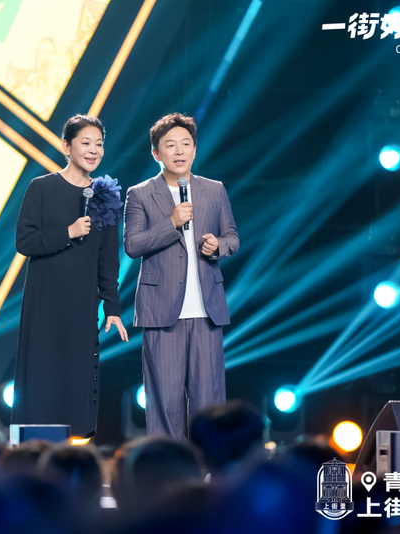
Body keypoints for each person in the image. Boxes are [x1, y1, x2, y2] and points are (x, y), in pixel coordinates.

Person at [12, 114, 128, 439]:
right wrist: (68, 232)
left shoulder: (104, 196)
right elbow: (24, 242)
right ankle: (34, 447)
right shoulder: (41, 187)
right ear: (67, 146)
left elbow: (108, 259)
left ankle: (71, 451)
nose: (93, 151)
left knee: (75, 375)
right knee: (41, 373)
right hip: (44, 298)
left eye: (99, 144)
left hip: (81, 302)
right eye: (85, 143)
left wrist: (112, 307)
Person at [124, 113, 239, 442]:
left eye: (186, 144)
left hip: (207, 311)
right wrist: (171, 223)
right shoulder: (140, 194)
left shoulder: (214, 190)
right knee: (164, 401)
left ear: (195, 149)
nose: (179, 151)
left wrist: (218, 246)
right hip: (161, 311)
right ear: (156, 153)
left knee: (209, 402)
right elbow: (133, 245)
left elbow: (232, 237)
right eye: (170, 145)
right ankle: (167, 466)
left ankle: (209, 467)